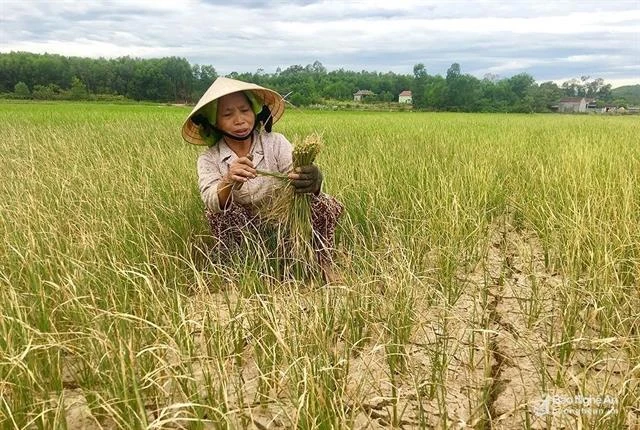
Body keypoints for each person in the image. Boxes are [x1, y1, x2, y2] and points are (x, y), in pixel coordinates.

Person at [181, 77, 343, 278]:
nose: (239, 120)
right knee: (217, 214)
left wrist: (312, 180)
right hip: (244, 232)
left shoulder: (275, 143)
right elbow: (211, 199)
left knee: (323, 203)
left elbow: (296, 175)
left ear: (256, 111)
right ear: (214, 122)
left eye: (245, 110)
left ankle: (321, 262)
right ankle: (241, 268)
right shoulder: (209, 158)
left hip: (281, 223)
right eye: (227, 114)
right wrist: (229, 181)